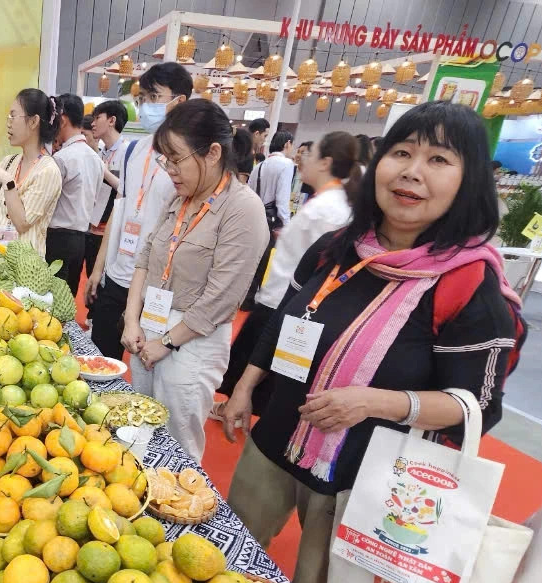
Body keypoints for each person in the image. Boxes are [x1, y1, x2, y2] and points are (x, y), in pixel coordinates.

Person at [222, 101, 523, 583]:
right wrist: (245, 385)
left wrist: (375, 402)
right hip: (275, 435)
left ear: (470, 181)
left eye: (439, 160)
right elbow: (285, 319)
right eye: (401, 152)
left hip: (356, 471)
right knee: (225, 560)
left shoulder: (469, 284)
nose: (412, 171)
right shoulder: (336, 246)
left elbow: (476, 405)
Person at [120, 99, 269, 460]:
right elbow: (147, 256)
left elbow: (221, 298)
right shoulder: (181, 198)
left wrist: (168, 342)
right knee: (141, 429)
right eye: (165, 160)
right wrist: (131, 319)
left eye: (176, 160)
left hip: (191, 342)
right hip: (150, 330)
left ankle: (175, 510)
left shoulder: (242, 209)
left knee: (177, 444)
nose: (169, 170)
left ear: (214, 152)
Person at [215, 131, 361, 416]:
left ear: (325, 162)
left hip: (285, 302)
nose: (301, 158)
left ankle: (239, 409)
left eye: (310, 153)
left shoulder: (328, 210)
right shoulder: (327, 203)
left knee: (263, 369)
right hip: (278, 297)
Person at [85, 62, 192, 361]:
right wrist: (98, 269)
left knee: (146, 368)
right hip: (118, 276)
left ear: (179, 101)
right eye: (141, 98)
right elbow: (120, 211)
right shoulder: (135, 150)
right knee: (100, 361)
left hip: (156, 287)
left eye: (154, 97)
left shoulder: (188, 158)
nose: (145, 106)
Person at [0, 89, 62, 254]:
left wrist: (7, 181)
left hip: (24, 270)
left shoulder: (48, 171)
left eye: (13, 116)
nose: (8, 122)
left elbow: (21, 222)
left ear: (33, 122)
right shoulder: (8, 162)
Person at [47, 93, 103, 299]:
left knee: (51, 302)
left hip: (57, 239)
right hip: (81, 240)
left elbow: (46, 201)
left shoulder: (62, 158)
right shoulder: (95, 159)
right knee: (67, 300)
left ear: (62, 120)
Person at [87, 100, 128, 283]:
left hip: (111, 233)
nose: (93, 123)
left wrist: (105, 173)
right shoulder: (101, 153)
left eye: (97, 118)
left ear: (112, 120)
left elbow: (128, 190)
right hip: (93, 228)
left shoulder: (127, 152)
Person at [249, 130, 295, 231]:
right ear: (287, 144)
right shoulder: (287, 164)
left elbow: (249, 192)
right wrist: (286, 224)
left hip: (253, 217)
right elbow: (282, 199)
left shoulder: (259, 166)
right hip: (270, 222)